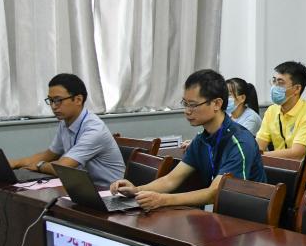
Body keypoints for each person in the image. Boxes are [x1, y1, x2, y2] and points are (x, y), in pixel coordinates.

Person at [110, 70, 266, 210]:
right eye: (185, 104)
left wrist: (163, 200)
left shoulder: (240, 141)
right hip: (220, 214)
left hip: (248, 219)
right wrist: (137, 190)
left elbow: (216, 192)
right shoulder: (202, 139)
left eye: (193, 105)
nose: (187, 111)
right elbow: (171, 180)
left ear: (217, 104)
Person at [10, 73, 125, 187]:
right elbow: (49, 155)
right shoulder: (65, 123)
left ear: (78, 100)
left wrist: (40, 165)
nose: (53, 106)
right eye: (51, 100)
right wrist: (16, 163)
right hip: (83, 187)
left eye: (58, 100)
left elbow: (63, 168)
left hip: (109, 191)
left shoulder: (94, 130)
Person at [256, 61, 306, 160]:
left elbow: (296, 153)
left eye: (280, 83)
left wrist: (260, 156)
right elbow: (259, 145)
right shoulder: (272, 110)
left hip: (304, 168)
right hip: (277, 166)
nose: (274, 87)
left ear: (297, 89)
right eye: (274, 81)